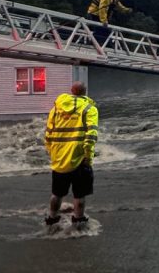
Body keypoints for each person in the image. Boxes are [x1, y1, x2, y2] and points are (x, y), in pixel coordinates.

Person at [44, 81, 99, 228]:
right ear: (85, 92)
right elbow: (91, 136)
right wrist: (89, 157)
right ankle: (79, 221)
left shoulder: (56, 109)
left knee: (57, 193)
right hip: (79, 158)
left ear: (71, 91)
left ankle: (52, 218)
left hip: (59, 158)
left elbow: (48, 133)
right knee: (79, 195)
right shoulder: (89, 109)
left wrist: (52, 152)